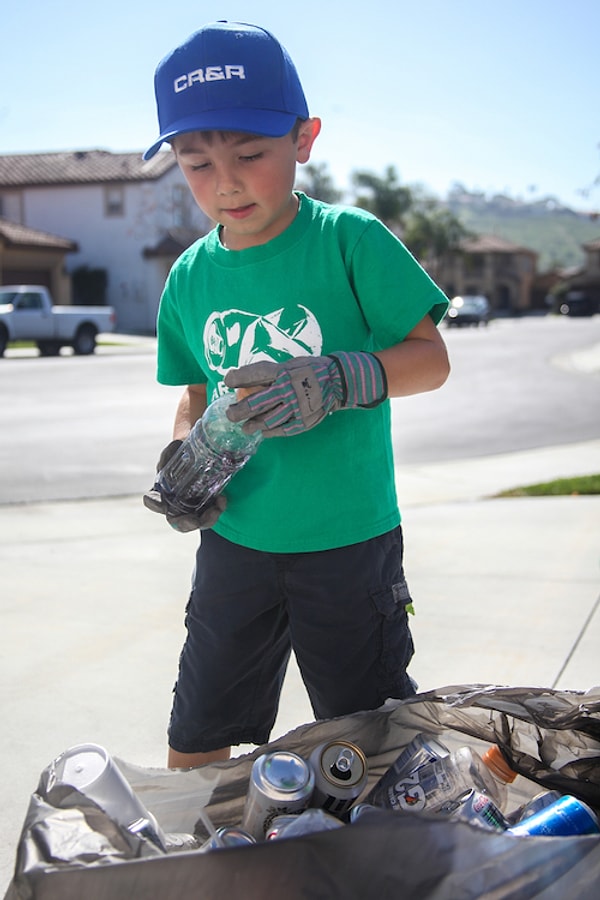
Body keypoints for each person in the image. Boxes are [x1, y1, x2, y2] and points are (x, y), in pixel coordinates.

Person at [143, 21, 451, 768]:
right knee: (196, 741)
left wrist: (346, 377)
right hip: (236, 541)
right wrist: (184, 458)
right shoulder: (188, 277)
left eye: (250, 154)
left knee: (368, 747)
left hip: (347, 542)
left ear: (303, 138)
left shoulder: (349, 239)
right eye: (196, 163)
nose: (226, 182)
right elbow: (194, 395)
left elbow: (431, 359)